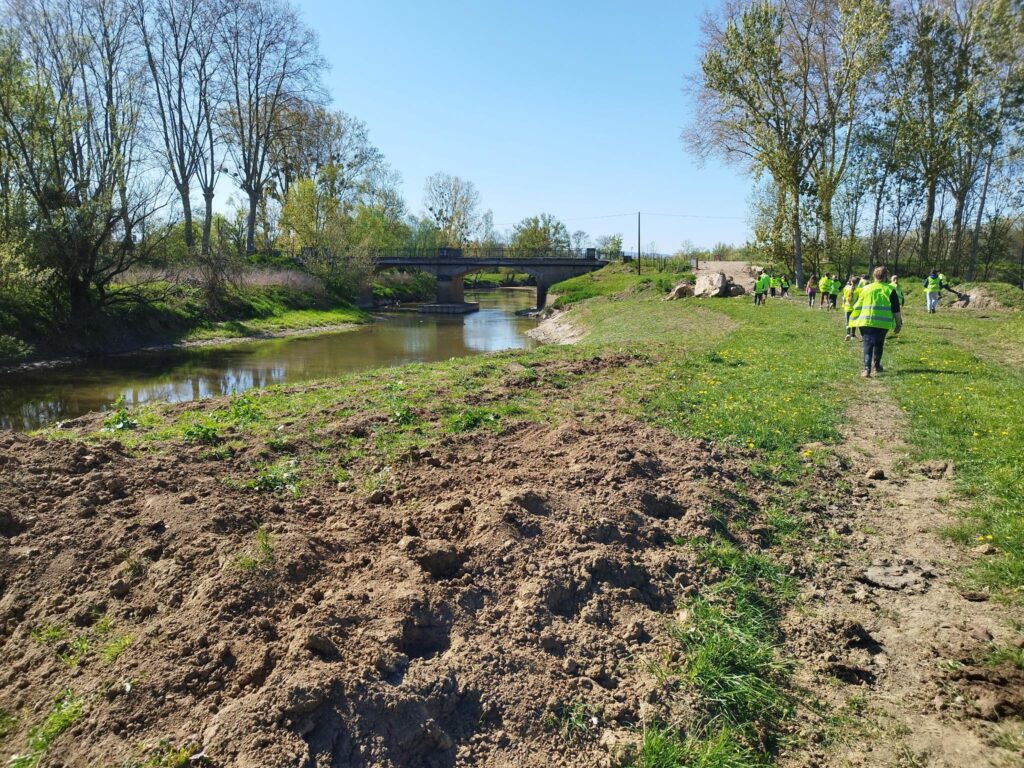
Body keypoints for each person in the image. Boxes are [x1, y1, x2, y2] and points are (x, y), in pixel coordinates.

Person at [849, 266, 902, 377]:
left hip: (866, 321)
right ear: (886, 276)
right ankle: (876, 367)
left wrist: (855, 319)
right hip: (883, 323)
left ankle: (867, 369)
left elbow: (858, 305)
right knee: (879, 343)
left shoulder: (865, 289)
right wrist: (898, 324)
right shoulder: (890, 289)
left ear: (873, 276)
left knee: (867, 344)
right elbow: (896, 309)